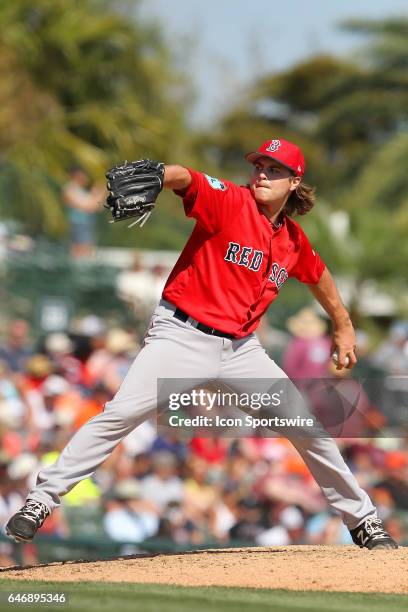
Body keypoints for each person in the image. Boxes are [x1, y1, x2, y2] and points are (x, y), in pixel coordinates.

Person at [6, 138, 398, 550]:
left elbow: (318, 274)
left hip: (243, 351)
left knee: (308, 429)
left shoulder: (293, 241)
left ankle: (364, 522)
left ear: (295, 181)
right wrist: (160, 176)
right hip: (181, 336)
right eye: (259, 165)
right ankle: (39, 501)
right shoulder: (231, 200)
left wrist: (343, 323)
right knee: (120, 414)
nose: (262, 174)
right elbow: (185, 178)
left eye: (275, 169)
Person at [62, 166, 105, 258]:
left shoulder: (82, 191)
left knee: (87, 251)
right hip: (79, 224)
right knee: (80, 252)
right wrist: (98, 195)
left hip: (86, 224)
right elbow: (88, 207)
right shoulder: (70, 189)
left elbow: (98, 207)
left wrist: (99, 194)